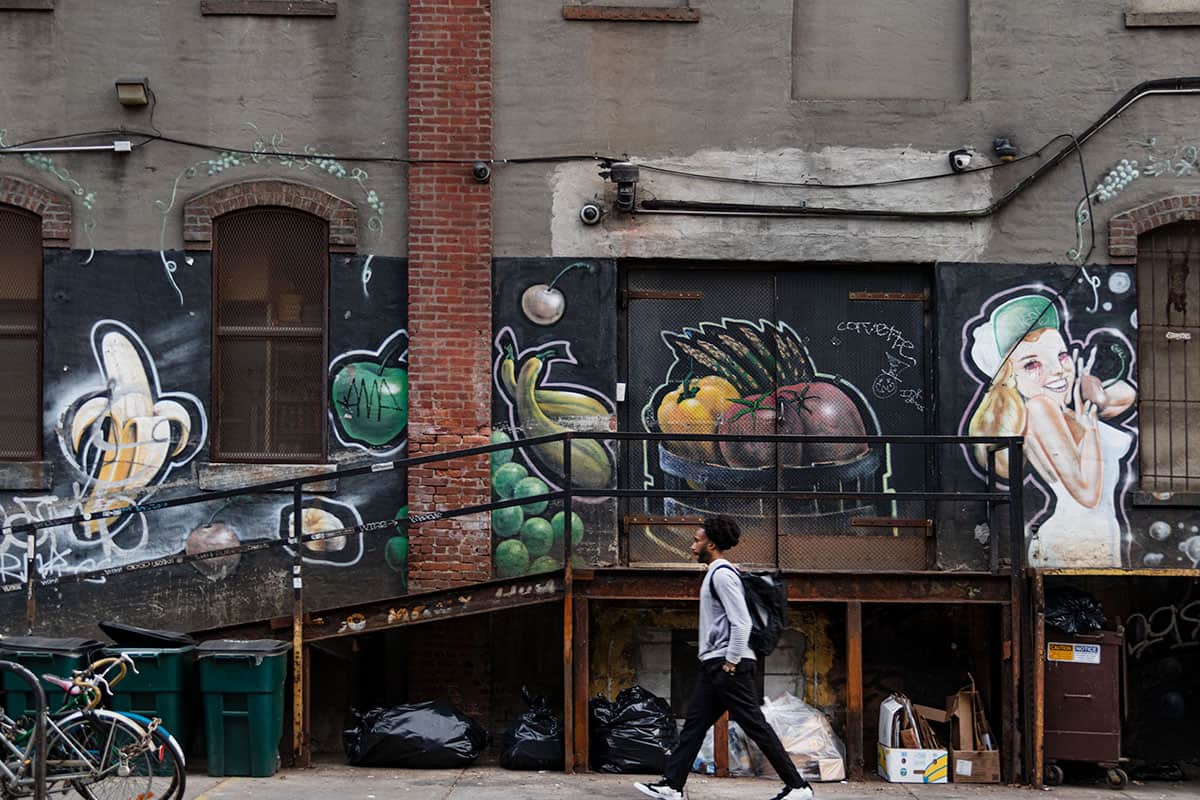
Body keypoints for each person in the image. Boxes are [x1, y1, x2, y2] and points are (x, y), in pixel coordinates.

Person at [634, 515, 813, 800]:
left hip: (728, 664)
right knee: (694, 725)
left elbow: (741, 621)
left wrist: (730, 660)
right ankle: (672, 785)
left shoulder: (722, 575)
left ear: (712, 543)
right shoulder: (718, 573)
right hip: (715, 664)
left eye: (697, 540)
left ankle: (798, 786)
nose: (692, 545)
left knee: (754, 725)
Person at [967, 294, 1135, 567]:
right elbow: (1087, 494)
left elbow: (1125, 396)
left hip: (1093, 541)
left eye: (1062, 355)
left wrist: (1089, 392)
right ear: (1010, 377)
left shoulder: (1067, 410)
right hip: (1070, 544)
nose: (1058, 371)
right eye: (1032, 365)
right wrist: (1090, 427)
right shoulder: (1040, 409)